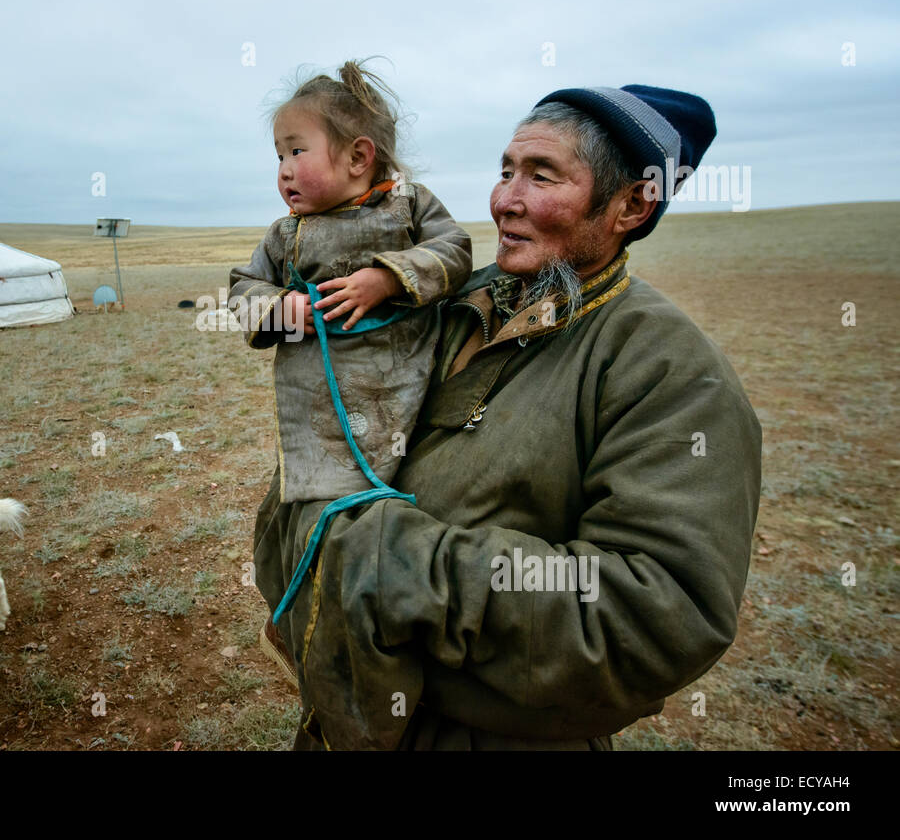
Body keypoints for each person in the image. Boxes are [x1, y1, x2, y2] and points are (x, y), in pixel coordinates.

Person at [253, 84, 763, 749]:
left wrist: (395, 563)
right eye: (504, 171)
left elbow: (657, 613)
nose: (504, 200)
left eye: (541, 175)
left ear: (633, 204)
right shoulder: (451, 298)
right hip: (348, 714)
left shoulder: (668, 372)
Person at [228, 60, 473, 628]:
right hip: (323, 409)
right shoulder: (283, 236)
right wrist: (278, 307)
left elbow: (455, 249)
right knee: (313, 515)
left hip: (407, 393)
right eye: (278, 156)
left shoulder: (408, 205)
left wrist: (389, 277)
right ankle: (316, 617)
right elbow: (243, 287)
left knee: (404, 500)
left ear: (360, 157)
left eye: (296, 151)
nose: (284, 171)